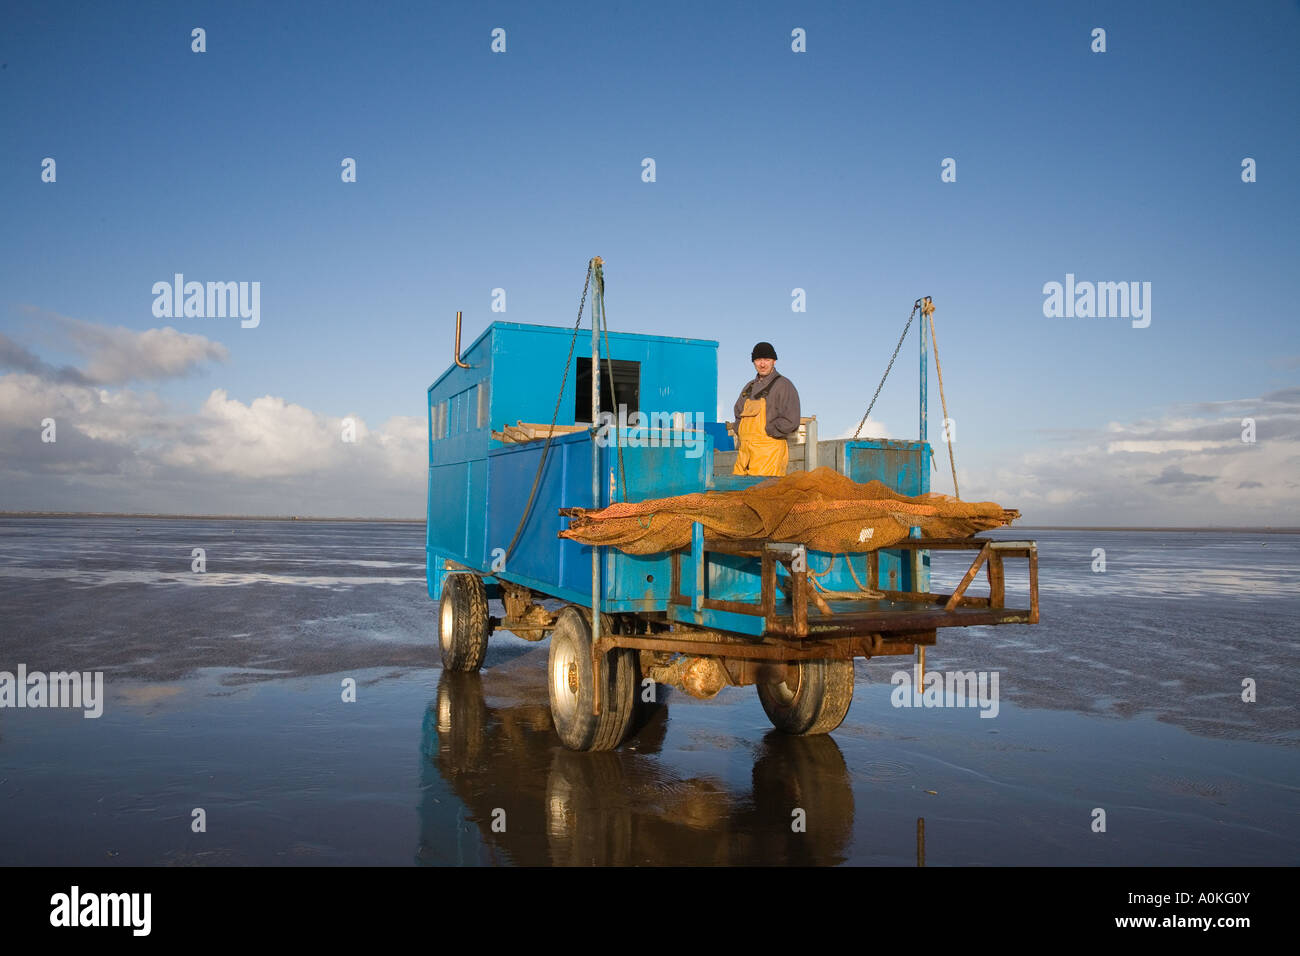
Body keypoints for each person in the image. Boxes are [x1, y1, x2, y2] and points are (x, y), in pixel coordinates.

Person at [732, 341, 800, 476]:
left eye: (767, 359)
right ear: (753, 362)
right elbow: (738, 414)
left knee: (763, 493)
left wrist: (768, 431)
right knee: (737, 494)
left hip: (769, 453)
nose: (762, 364)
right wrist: (742, 431)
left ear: (774, 361)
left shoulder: (784, 385)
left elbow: (791, 420)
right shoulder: (748, 387)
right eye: (758, 360)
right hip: (744, 454)